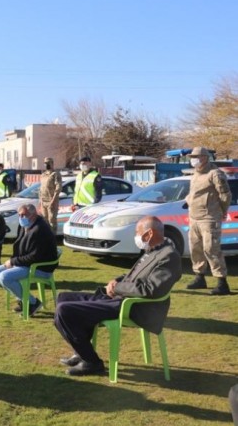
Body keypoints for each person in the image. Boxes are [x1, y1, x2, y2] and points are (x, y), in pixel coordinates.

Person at [54, 216, 181, 376]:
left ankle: (92, 362)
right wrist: (116, 281)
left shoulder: (169, 256)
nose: (136, 237)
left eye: (138, 232)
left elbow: (151, 289)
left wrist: (118, 288)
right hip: (121, 298)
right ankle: (82, 351)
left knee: (65, 311)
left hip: (135, 307)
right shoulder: (152, 250)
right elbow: (134, 276)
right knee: (63, 298)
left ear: (149, 234)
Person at [0, 203, 58, 315]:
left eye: (23, 215)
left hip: (41, 267)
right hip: (27, 263)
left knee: (5, 277)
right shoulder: (26, 226)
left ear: (33, 215)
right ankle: (24, 300)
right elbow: (19, 247)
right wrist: (13, 261)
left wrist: (13, 262)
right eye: (19, 215)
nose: (21, 218)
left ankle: (33, 303)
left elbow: (35, 257)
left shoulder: (40, 229)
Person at [184, 146, 232, 295]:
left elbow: (225, 195)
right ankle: (200, 277)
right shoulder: (195, 174)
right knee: (195, 249)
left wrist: (222, 212)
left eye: (196, 157)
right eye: (192, 157)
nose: (193, 160)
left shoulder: (215, 174)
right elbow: (193, 194)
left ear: (205, 158)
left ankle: (221, 282)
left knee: (211, 249)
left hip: (209, 218)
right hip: (194, 218)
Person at [39, 157, 63, 234]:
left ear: (52, 164)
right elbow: (41, 188)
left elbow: (58, 187)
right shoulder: (43, 175)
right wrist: (40, 200)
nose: (46, 165)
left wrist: (53, 200)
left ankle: (53, 239)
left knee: (51, 220)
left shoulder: (55, 174)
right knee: (44, 221)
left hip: (51, 200)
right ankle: (46, 239)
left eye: (48, 163)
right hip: (43, 201)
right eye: (45, 163)